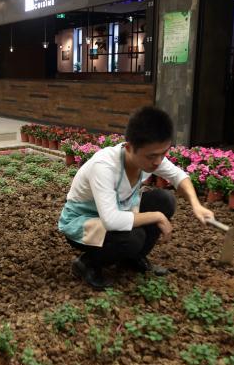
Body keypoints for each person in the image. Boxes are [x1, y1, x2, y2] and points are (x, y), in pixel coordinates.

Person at [58, 107, 215, 290]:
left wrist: (196, 205)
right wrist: (157, 216)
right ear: (129, 148)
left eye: (163, 153)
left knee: (164, 200)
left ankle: (132, 258)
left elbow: (179, 176)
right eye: (152, 156)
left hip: (116, 212)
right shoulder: (104, 166)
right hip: (83, 221)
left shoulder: (149, 157)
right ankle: (87, 263)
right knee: (133, 238)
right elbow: (111, 220)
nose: (158, 161)